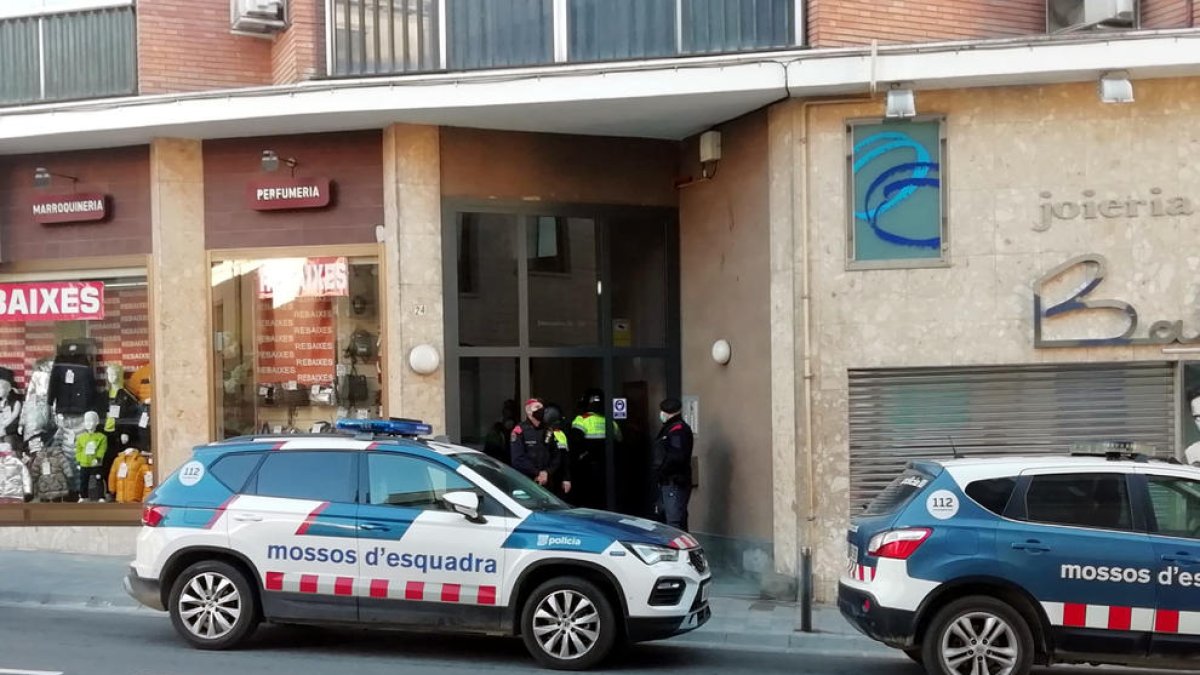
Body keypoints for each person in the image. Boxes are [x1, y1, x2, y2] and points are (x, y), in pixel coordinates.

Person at [570, 389, 621, 509]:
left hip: (587, 467)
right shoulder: (611, 421)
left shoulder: (581, 419)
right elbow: (620, 440)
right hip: (608, 468)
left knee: (588, 501)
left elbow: (575, 444)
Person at [651, 398, 693, 530]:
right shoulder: (670, 428)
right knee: (670, 519)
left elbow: (676, 457)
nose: (661, 414)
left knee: (674, 522)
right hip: (669, 481)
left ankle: (679, 549)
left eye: (662, 411)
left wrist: (662, 471)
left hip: (674, 482)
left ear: (668, 412)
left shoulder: (677, 430)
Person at [510, 398, 561, 488]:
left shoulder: (548, 430)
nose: (541, 410)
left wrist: (546, 472)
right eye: (537, 407)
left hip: (547, 481)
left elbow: (556, 455)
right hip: (526, 481)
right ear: (528, 411)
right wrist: (537, 473)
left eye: (542, 407)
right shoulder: (520, 430)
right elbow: (517, 459)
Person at [542, 403, 573, 501]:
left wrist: (566, 478)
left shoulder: (559, 434)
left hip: (555, 476)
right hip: (547, 475)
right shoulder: (541, 433)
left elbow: (564, 458)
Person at [483, 399, 519, 464]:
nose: (505, 411)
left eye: (508, 409)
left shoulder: (516, 427)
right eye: (505, 408)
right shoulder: (498, 426)